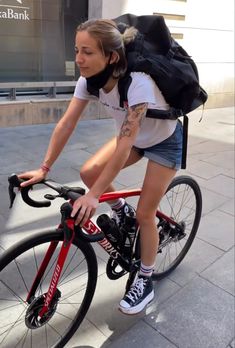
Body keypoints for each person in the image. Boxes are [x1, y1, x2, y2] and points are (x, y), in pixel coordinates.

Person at [19, 18, 183, 315]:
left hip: (163, 140)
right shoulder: (88, 81)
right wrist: (44, 168)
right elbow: (67, 122)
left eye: (88, 52)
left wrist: (93, 195)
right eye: (76, 50)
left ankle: (144, 279)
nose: (78, 59)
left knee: (147, 212)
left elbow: (124, 144)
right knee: (88, 172)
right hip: (133, 139)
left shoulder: (138, 83)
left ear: (112, 57)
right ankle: (122, 211)